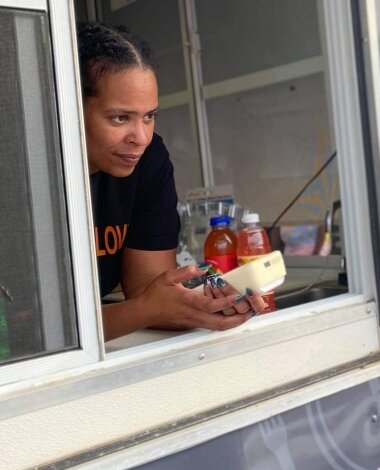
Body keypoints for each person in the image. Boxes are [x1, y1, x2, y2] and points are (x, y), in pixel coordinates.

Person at [78, 22, 265, 341]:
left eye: (149, 116)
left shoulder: (148, 160)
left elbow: (150, 291)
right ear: (71, 109)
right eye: (120, 118)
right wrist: (147, 309)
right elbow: (30, 328)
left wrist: (206, 304)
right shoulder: (26, 175)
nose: (141, 138)